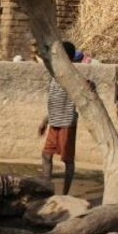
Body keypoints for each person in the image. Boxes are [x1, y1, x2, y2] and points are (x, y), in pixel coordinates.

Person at [37, 41, 86, 195]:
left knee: (67, 160)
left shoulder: (72, 74)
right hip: (54, 122)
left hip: (66, 123)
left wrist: (90, 85)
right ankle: (46, 188)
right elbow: (53, 102)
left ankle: (65, 194)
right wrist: (45, 121)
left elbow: (87, 84)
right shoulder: (54, 75)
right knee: (46, 155)